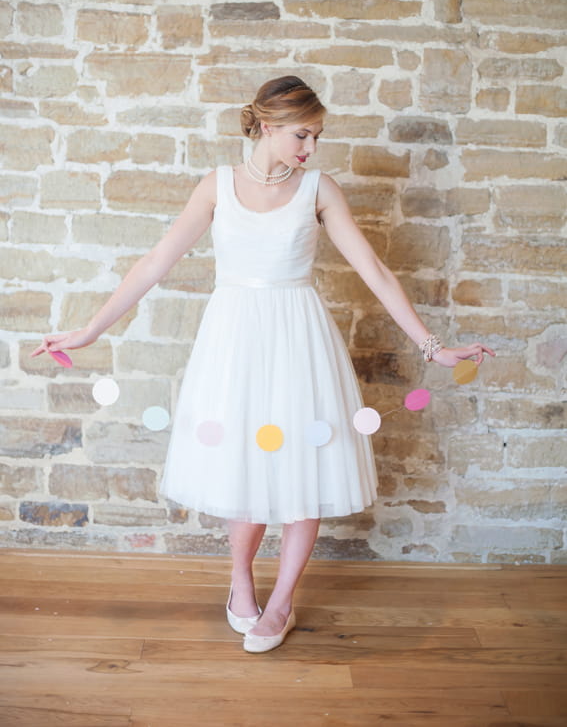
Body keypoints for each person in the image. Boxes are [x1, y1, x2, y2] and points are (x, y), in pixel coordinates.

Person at [32, 75, 494, 653]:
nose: (311, 147)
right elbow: (155, 262)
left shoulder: (318, 189)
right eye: (303, 134)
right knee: (240, 462)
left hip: (300, 339)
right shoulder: (217, 186)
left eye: (317, 136)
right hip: (234, 342)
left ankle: (282, 604)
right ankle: (240, 582)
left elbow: (374, 271)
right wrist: (90, 330)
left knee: (308, 466)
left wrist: (434, 347)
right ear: (269, 126)